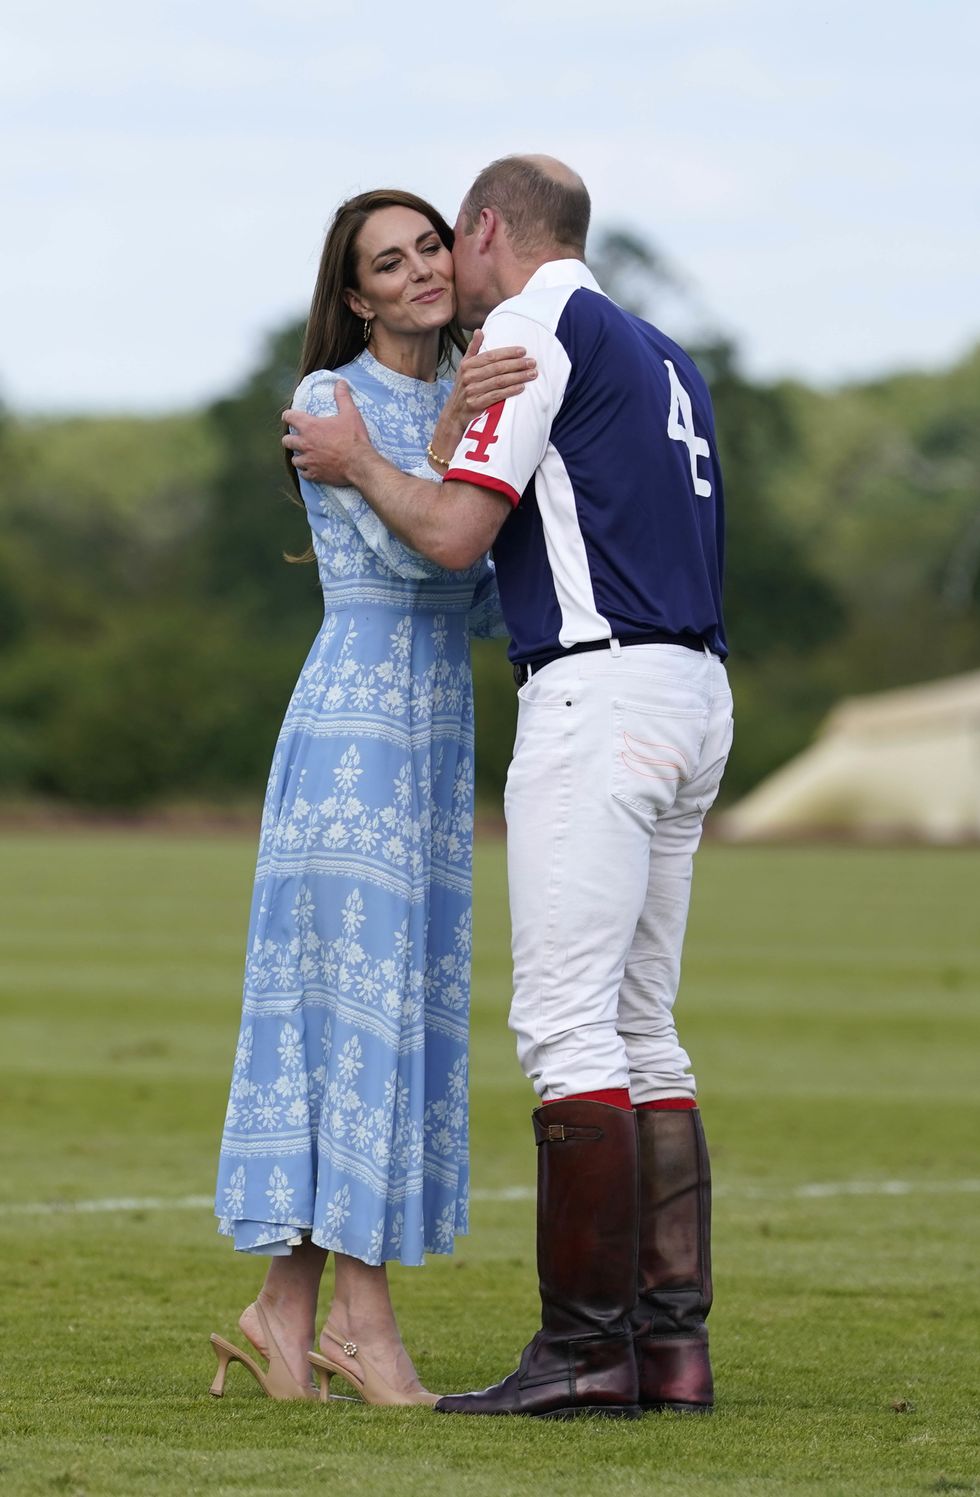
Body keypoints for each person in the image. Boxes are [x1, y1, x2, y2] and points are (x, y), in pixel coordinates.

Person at [282, 155, 734, 1420]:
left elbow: (452, 535)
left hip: (599, 697)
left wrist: (362, 461)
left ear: (485, 231)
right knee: (645, 1028)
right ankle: (668, 1351)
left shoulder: (532, 329)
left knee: (568, 1031)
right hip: (695, 688)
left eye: (446, 245)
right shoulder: (657, 348)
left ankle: (585, 1354)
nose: (443, 275)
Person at [210, 188, 534, 1405]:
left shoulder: (480, 383)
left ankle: (280, 1316)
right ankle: (363, 1326)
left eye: (430, 247)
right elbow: (415, 550)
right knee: (349, 1013)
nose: (419, 273)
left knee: (386, 1010)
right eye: (387, 263)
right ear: (353, 294)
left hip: (435, 723)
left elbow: (490, 580)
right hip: (352, 726)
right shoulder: (328, 401)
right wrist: (447, 430)